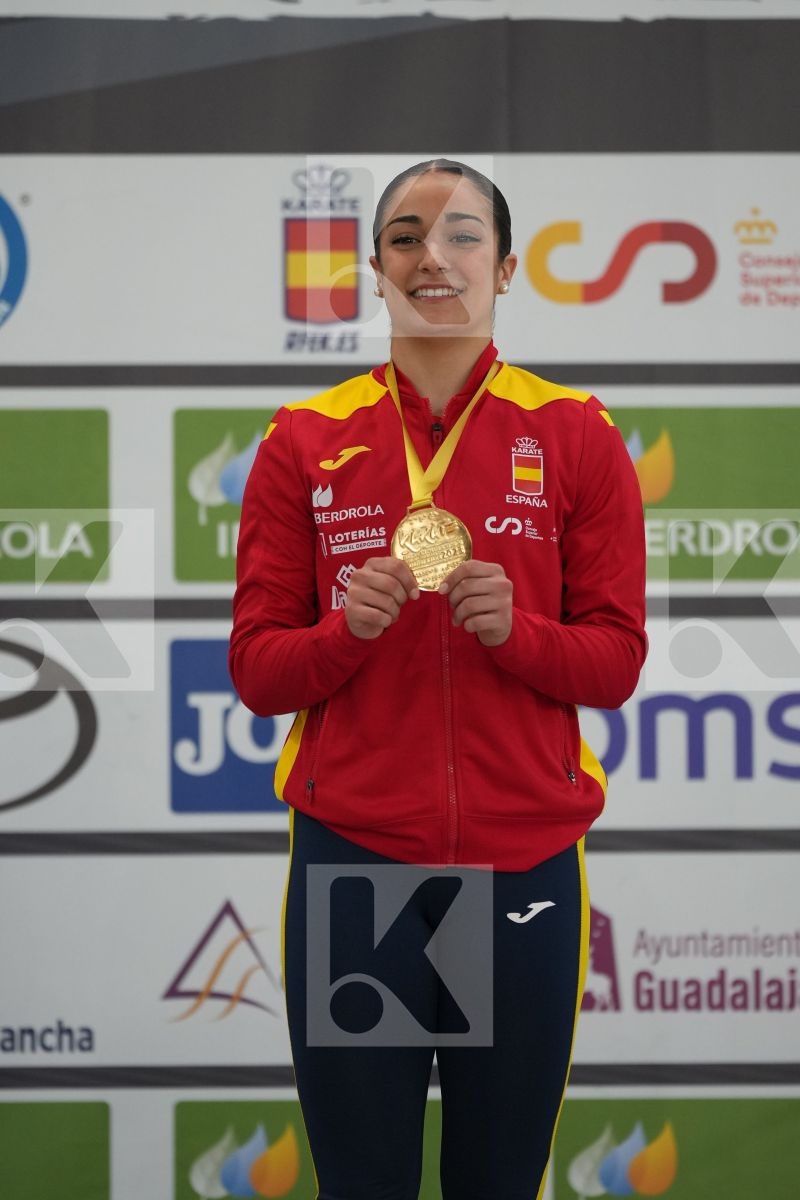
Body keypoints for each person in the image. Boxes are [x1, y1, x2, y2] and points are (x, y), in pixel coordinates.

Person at [229, 158, 647, 1200]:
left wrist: (523, 635)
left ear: (505, 268)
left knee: (495, 1184)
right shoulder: (303, 441)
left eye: (464, 235)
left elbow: (615, 662)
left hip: (521, 864)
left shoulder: (575, 434)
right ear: (374, 267)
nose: (434, 256)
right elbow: (256, 672)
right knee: (362, 1184)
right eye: (407, 235)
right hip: (358, 867)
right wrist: (340, 634)